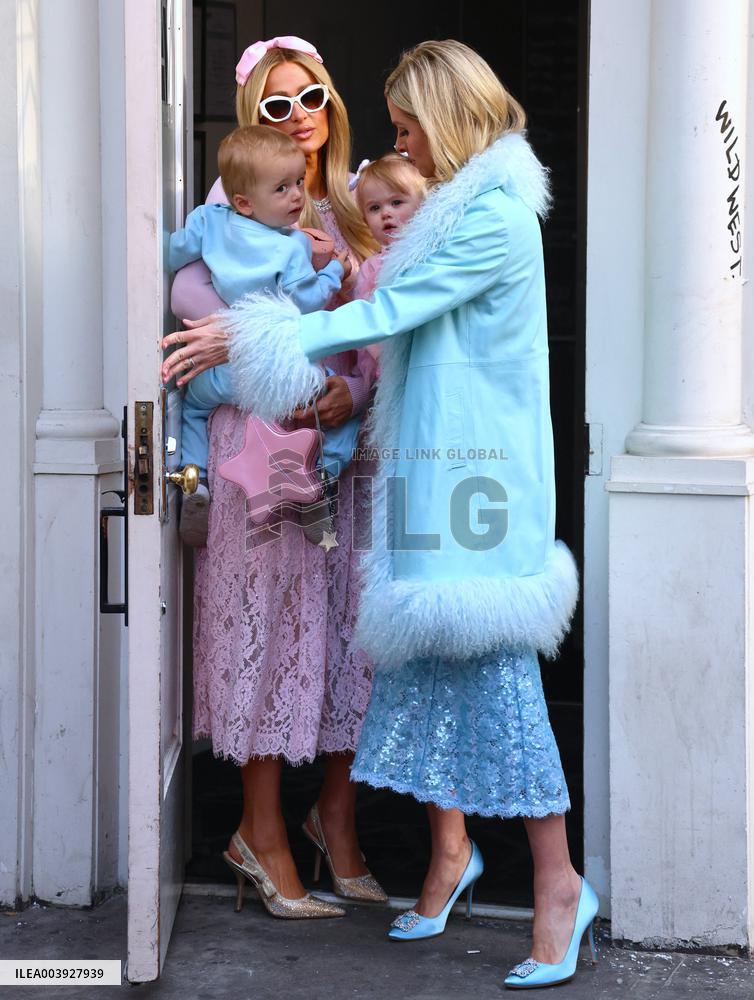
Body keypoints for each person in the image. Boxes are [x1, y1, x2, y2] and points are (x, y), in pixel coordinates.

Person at [180, 38, 596, 989]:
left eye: (409, 126)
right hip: (434, 472)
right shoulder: (462, 208)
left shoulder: (493, 216)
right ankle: (454, 857)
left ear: (447, 117)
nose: (399, 142)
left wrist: (255, 334)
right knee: (435, 668)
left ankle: (559, 884)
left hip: (477, 479)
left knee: (498, 679)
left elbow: (387, 313)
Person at [164, 36, 386, 919]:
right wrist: (289, 372)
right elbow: (199, 337)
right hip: (257, 448)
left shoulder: (362, 203)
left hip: (343, 452)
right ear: (251, 116)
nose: (299, 117)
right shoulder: (229, 210)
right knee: (267, 632)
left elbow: (384, 339)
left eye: (312, 97)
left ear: (332, 102)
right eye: (276, 104)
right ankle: (259, 831)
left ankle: (335, 818)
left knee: (346, 638)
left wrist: (350, 394)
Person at [169, 124, 360, 545]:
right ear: (244, 201)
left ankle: (195, 479)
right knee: (341, 411)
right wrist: (335, 270)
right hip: (277, 373)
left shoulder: (208, 221)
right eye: (282, 188)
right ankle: (323, 479)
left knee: (192, 409)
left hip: (223, 372)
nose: (297, 196)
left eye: (298, 182)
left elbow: (172, 252)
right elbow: (307, 302)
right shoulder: (292, 247)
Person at [350, 153, 426, 317]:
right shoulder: (370, 268)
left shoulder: (432, 251)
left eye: (396, 202)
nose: (385, 213)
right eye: (374, 208)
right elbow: (366, 317)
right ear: (365, 220)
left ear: (423, 204)